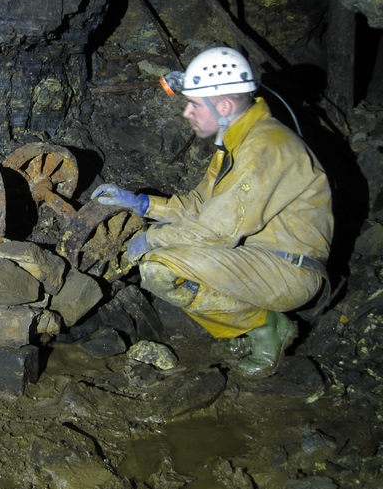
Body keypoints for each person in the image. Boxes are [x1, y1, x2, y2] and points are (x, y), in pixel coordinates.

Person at [92, 46, 333, 377]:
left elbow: (216, 231)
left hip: (289, 271)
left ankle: (268, 328)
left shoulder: (266, 147)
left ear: (224, 106)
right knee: (168, 254)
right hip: (255, 258)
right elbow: (200, 207)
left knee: (161, 266)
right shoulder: (237, 143)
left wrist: (151, 238)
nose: (185, 113)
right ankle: (241, 331)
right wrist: (141, 203)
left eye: (193, 104)